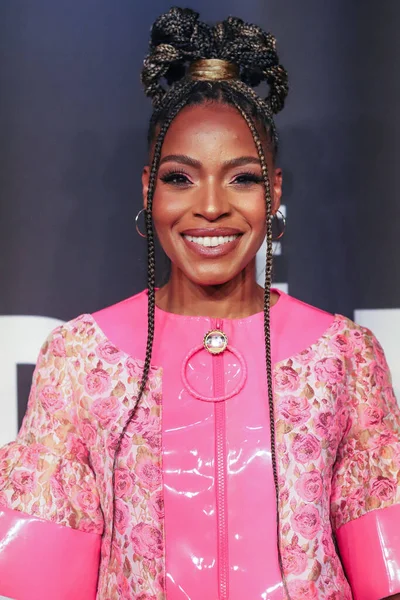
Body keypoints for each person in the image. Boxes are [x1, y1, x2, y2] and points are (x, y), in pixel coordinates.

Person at [0, 7, 399, 600]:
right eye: (181, 178)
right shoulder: (80, 360)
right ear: (147, 188)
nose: (210, 206)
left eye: (242, 178)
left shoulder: (343, 354)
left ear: (276, 191)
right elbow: (39, 585)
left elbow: (385, 576)